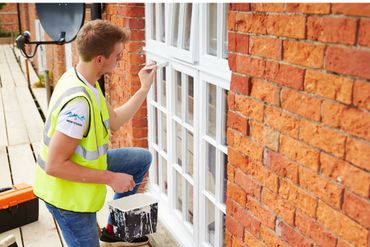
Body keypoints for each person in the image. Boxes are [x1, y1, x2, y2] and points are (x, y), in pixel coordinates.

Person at [34, 19, 157, 247]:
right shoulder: (78, 105)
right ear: (100, 59)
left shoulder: (85, 79)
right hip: (67, 198)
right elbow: (55, 165)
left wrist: (144, 88)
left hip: (86, 169)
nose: (120, 60)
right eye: (117, 55)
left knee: (141, 160)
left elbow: (116, 121)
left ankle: (115, 231)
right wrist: (111, 179)